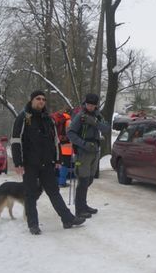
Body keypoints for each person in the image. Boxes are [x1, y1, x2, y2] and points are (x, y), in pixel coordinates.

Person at [11, 90, 86, 235]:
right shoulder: (23, 118)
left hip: (47, 163)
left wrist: (57, 159)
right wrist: (18, 162)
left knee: (54, 192)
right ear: (31, 100)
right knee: (31, 194)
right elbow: (15, 140)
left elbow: (55, 141)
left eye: (43, 99)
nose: (41, 101)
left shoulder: (48, 119)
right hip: (29, 163)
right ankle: (33, 225)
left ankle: (67, 219)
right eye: (38, 99)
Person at [67, 93, 110, 218]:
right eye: (88, 104)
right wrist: (84, 144)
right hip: (83, 152)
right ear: (85, 104)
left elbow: (106, 128)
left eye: (93, 105)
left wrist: (95, 123)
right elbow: (70, 133)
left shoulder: (98, 115)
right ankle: (79, 209)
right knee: (83, 180)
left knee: (90, 179)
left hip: (95, 151)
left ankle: (83, 204)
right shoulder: (80, 116)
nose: (90, 107)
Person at [51, 109, 73, 187]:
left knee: (58, 163)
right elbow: (70, 134)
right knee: (65, 165)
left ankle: (55, 181)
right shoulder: (68, 120)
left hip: (57, 146)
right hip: (66, 147)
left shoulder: (56, 119)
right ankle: (62, 182)